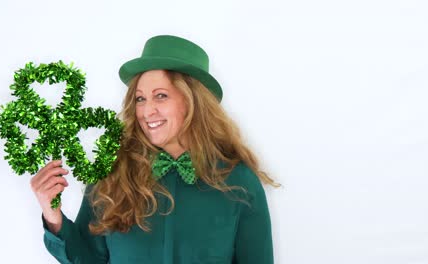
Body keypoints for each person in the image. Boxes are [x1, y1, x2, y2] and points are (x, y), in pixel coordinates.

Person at [31, 35, 278, 264]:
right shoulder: (111, 174)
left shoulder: (239, 182)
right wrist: (53, 217)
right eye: (140, 99)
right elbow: (89, 259)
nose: (147, 111)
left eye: (160, 96)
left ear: (193, 101)